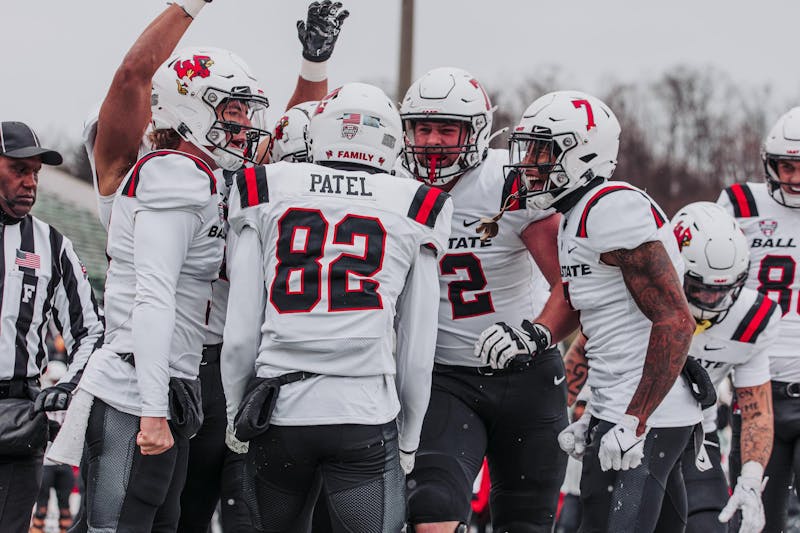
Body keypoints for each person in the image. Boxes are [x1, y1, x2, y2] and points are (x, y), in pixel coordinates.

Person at [81, 1, 348, 529]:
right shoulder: (145, 171)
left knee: (187, 517)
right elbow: (134, 77)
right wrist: (188, 5)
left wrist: (313, 65)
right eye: (234, 113)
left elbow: (291, 135)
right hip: (150, 368)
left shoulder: (219, 177)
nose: (246, 127)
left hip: (220, 372)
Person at [221, 82, 453, 532]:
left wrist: (235, 413)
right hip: (363, 412)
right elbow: (417, 342)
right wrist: (409, 437)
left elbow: (242, 329)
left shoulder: (264, 186)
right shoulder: (416, 202)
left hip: (279, 410)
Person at [476, 90, 701, 532]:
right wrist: (591, 401)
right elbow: (604, 317)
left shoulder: (610, 209)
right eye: (530, 149)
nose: (530, 163)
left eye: (544, 150)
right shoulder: (579, 211)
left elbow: (675, 319)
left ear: (583, 153)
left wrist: (634, 419)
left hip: (643, 416)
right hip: (632, 409)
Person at [65, 46, 270, 533]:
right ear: (190, 107)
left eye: (244, 113)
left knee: (165, 522)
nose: (242, 127)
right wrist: (154, 411)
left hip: (171, 383)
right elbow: (153, 296)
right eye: (232, 112)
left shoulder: (204, 178)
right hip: (136, 391)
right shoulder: (172, 173)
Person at [397, 67, 569, 533]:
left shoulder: (509, 181)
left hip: (525, 375)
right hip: (442, 376)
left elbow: (570, 286)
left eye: (446, 129)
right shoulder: (391, 183)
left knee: (525, 522)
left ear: (475, 131)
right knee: (431, 510)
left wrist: (535, 334)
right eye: (422, 128)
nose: (432, 141)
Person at [0, 121, 103, 533]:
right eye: (18, 169)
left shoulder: (51, 244)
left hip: (15, 415)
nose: (30, 182)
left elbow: (91, 330)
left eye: (35, 173)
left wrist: (66, 385)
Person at [717, 106, 800, 532]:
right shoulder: (740, 204)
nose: (796, 179)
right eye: (788, 166)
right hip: (757, 391)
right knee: (752, 524)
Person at [671, 202, 776, 533]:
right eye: (698, 287)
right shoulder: (638, 295)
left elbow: (757, 410)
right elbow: (587, 353)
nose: (708, 299)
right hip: (631, 431)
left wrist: (749, 478)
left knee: (710, 526)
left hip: (695, 436)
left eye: (720, 290)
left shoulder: (751, 319)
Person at [29, 359, 76, 533]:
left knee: (65, 508)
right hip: (46, 461)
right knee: (40, 510)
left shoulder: (71, 401)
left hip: (63, 461)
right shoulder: (40, 398)